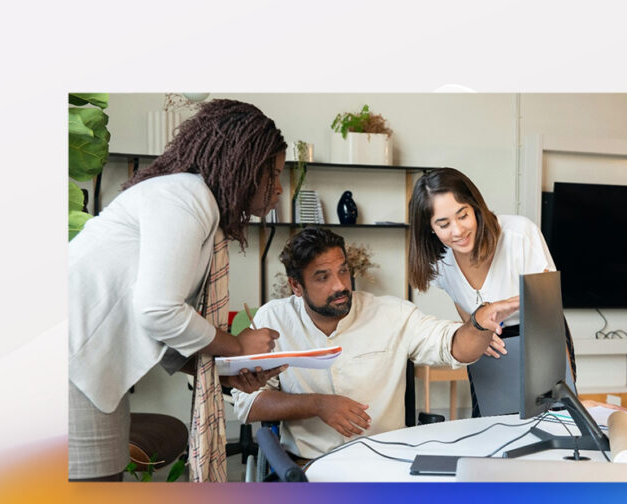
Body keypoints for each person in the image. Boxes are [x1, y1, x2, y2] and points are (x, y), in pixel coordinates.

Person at [68, 100, 287, 482]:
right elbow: (158, 312)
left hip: (87, 366)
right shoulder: (187, 197)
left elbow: (158, 324)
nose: (281, 189)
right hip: (72, 365)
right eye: (276, 174)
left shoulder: (189, 202)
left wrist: (222, 374)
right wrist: (236, 346)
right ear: (248, 166)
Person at [230, 227, 518, 459]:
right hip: (310, 466)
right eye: (322, 277)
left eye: (343, 271)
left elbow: (453, 345)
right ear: (296, 286)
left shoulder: (391, 313)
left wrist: (479, 322)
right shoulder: (274, 319)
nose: (340, 285)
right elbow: (249, 404)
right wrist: (317, 404)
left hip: (387, 462)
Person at [407, 167, 577, 416]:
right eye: (443, 224)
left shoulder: (519, 234)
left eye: (463, 215)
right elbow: (460, 298)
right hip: (488, 342)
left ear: (475, 206)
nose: (457, 231)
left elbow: (547, 307)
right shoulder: (439, 260)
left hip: (539, 333)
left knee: (555, 415)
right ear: (430, 228)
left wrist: (566, 386)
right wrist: (475, 330)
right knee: (487, 422)